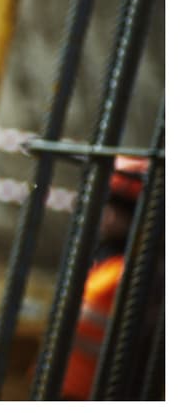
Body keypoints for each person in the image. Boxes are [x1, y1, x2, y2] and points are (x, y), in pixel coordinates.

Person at [60, 155, 156, 400]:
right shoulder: (103, 261)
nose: (105, 215)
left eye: (117, 207)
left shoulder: (135, 274)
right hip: (66, 386)